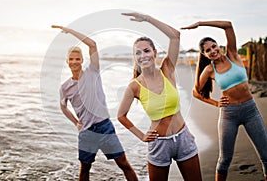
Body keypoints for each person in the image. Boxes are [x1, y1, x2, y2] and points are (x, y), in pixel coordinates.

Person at [117, 12, 202, 181]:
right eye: (138, 53)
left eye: (147, 51)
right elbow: (121, 116)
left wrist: (147, 19)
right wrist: (141, 135)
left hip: (183, 138)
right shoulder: (134, 86)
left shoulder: (167, 70)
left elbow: (175, 36)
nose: (143, 56)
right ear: (135, 58)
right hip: (159, 144)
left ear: (155, 53)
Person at [181, 20, 267, 181]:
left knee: (266, 156)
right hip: (229, 114)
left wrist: (200, 23)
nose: (213, 51)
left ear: (219, 46)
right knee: (224, 159)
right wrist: (216, 103)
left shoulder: (233, 55)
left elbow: (228, 25)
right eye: (208, 50)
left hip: (251, 111)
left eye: (214, 46)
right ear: (205, 55)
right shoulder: (209, 70)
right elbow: (196, 92)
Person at [52, 25, 138, 181]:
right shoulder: (65, 87)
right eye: (71, 59)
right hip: (86, 132)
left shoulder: (93, 72)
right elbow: (63, 107)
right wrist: (76, 122)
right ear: (67, 62)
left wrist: (70, 31)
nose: (74, 62)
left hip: (105, 126)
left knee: (124, 164)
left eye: (77, 59)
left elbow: (92, 45)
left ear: (82, 60)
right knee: (85, 169)